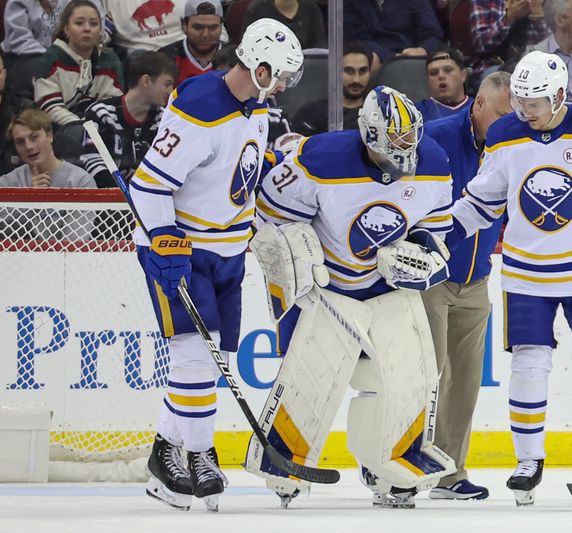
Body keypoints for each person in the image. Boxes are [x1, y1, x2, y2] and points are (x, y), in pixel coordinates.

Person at [447, 50, 572, 505]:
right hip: (527, 275)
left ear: (559, 96)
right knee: (529, 364)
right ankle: (528, 459)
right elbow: (481, 202)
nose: (524, 111)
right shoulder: (503, 134)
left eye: (533, 103)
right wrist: (442, 234)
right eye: (519, 101)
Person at [246, 85, 456, 509]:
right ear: (372, 135)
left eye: (409, 139)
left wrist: (425, 252)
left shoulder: (433, 161)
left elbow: (435, 227)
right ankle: (286, 461)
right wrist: (294, 250)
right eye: (395, 141)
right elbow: (269, 214)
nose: (407, 150)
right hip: (324, 287)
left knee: (407, 377)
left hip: (387, 287)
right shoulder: (321, 158)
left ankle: (392, 464)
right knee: (312, 376)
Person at [128, 18, 303, 512]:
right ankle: (199, 453)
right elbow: (147, 185)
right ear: (261, 68)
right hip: (182, 250)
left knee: (208, 358)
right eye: (284, 75)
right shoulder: (202, 107)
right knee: (194, 358)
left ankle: (165, 454)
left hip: (227, 252)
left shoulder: (256, 108)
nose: (287, 85)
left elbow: (236, 171)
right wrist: (162, 236)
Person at [421, 71, 512, 501]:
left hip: (477, 281)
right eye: (502, 114)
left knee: (466, 382)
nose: (510, 124)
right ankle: (398, 462)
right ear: (478, 106)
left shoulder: (513, 146)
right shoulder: (435, 138)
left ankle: (449, 472)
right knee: (426, 374)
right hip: (432, 279)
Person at [80, 51, 176, 188]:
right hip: (107, 201)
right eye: (167, 84)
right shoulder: (101, 113)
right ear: (146, 81)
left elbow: (168, 166)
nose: (171, 91)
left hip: (148, 198)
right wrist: (123, 194)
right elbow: (93, 162)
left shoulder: (165, 119)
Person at [0, 109, 96, 241]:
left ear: (49, 136)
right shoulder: (7, 183)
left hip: (65, 259)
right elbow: (3, 232)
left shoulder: (80, 181)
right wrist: (29, 202)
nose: (28, 146)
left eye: (34, 138)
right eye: (20, 142)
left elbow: (75, 241)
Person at [33, 0, 123, 127]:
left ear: (100, 30)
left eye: (93, 24)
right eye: (79, 23)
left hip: (102, 126)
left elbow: (114, 103)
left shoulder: (110, 60)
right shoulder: (51, 59)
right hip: (62, 130)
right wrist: (83, 127)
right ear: (66, 29)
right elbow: (51, 108)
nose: (87, 29)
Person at [292, 40, 372, 135]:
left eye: (363, 71)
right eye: (349, 71)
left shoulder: (376, 117)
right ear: (335, 72)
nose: (356, 80)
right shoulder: (311, 113)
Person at [343, 0, 445, 66]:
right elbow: (357, 38)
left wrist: (423, 49)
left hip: (412, 57)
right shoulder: (351, 2)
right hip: (375, 57)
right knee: (367, 59)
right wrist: (392, 57)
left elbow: (433, 34)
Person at [158, 0, 224, 85]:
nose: (205, 35)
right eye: (198, 27)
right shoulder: (165, 58)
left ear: (221, 27)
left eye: (212, 27)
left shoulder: (237, 59)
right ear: (184, 25)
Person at [416, 48, 474, 122]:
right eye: (433, 73)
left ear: (463, 75)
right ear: (428, 80)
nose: (441, 76)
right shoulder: (416, 113)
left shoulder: (480, 108)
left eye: (448, 70)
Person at [242, 0, 326, 49]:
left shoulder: (311, 9)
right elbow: (248, 48)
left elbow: (318, 48)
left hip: (307, 70)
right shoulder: (256, 10)